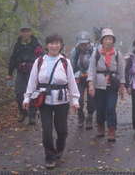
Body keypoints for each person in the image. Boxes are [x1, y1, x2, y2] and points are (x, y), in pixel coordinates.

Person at [23, 34, 80, 169]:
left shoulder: (65, 62)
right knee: (47, 130)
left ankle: (59, 149)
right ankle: (49, 156)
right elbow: (32, 81)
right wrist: (27, 97)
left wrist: (75, 100)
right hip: (44, 100)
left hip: (62, 100)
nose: (54, 46)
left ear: (61, 45)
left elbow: (71, 82)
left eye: (57, 43)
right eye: (51, 43)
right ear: (47, 45)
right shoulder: (39, 61)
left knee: (62, 130)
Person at [87, 28, 125, 142]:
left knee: (110, 107)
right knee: (100, 108)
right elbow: (91, 70)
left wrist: (122, 86)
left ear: (113, 41)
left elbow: (121, 70)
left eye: (110, 39)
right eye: (106, 39)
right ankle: (100, 127)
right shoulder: (96, 53)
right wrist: (91, 85)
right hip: (99, 84)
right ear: (102, 41)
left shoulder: (118, 54)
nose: (108, 41)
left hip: (112, 85)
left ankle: (112, 130)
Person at [8, 27, 43, 124]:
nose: (25, 33)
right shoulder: (17, 44)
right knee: (19, 93)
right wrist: (10, 73)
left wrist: (40, 72)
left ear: (31, 32)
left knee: (32, 93)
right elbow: (13, 58)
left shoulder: (36, 44)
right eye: (23, 31)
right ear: (20, 33)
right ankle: (23, 112)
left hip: (32, 72)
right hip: (20, 72)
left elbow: (41, 58)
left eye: (27, 31)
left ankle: (32, 115)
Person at [70, 31, 95, 129]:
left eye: (85, 43)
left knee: (91, 99)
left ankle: (90, 116)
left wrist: (90, 75)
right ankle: (80, 116)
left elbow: (96, 65)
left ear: (89, 42)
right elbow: (72, 67)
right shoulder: (74, 52)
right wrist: (74, 77)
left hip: (91, 78)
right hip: (79, 77)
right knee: (79, 99)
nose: (84, 46)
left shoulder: (94, 51)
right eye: (81, 44)